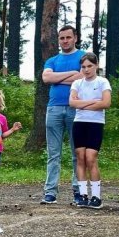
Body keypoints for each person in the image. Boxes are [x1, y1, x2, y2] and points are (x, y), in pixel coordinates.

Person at [41, 25, 86, 205]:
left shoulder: (83, 56)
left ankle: (78, 191)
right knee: (53, 153)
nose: (65, 41)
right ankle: (50, 192)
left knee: (77, 152)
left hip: (77, 109)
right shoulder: (52, 60)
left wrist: (57, 77)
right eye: (62, 38)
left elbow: (84, 77)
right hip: (54, 109)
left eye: (68, 37)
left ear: (75, 38)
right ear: (58, 40)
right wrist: (73, 75)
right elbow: (46, 79)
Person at [69, 53, 111, 209]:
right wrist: (94, 101)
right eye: (83, 67)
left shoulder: (102, 82)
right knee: (80, 157)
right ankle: (82, 195)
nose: (86, 70)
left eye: (89, 66)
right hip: (79, 123)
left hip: (95, 123)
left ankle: (96, 196)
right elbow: (72, 102)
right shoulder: (77, 83)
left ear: (96, 65)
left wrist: (82, 104)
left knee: (91, 158)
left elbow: (106, 103)